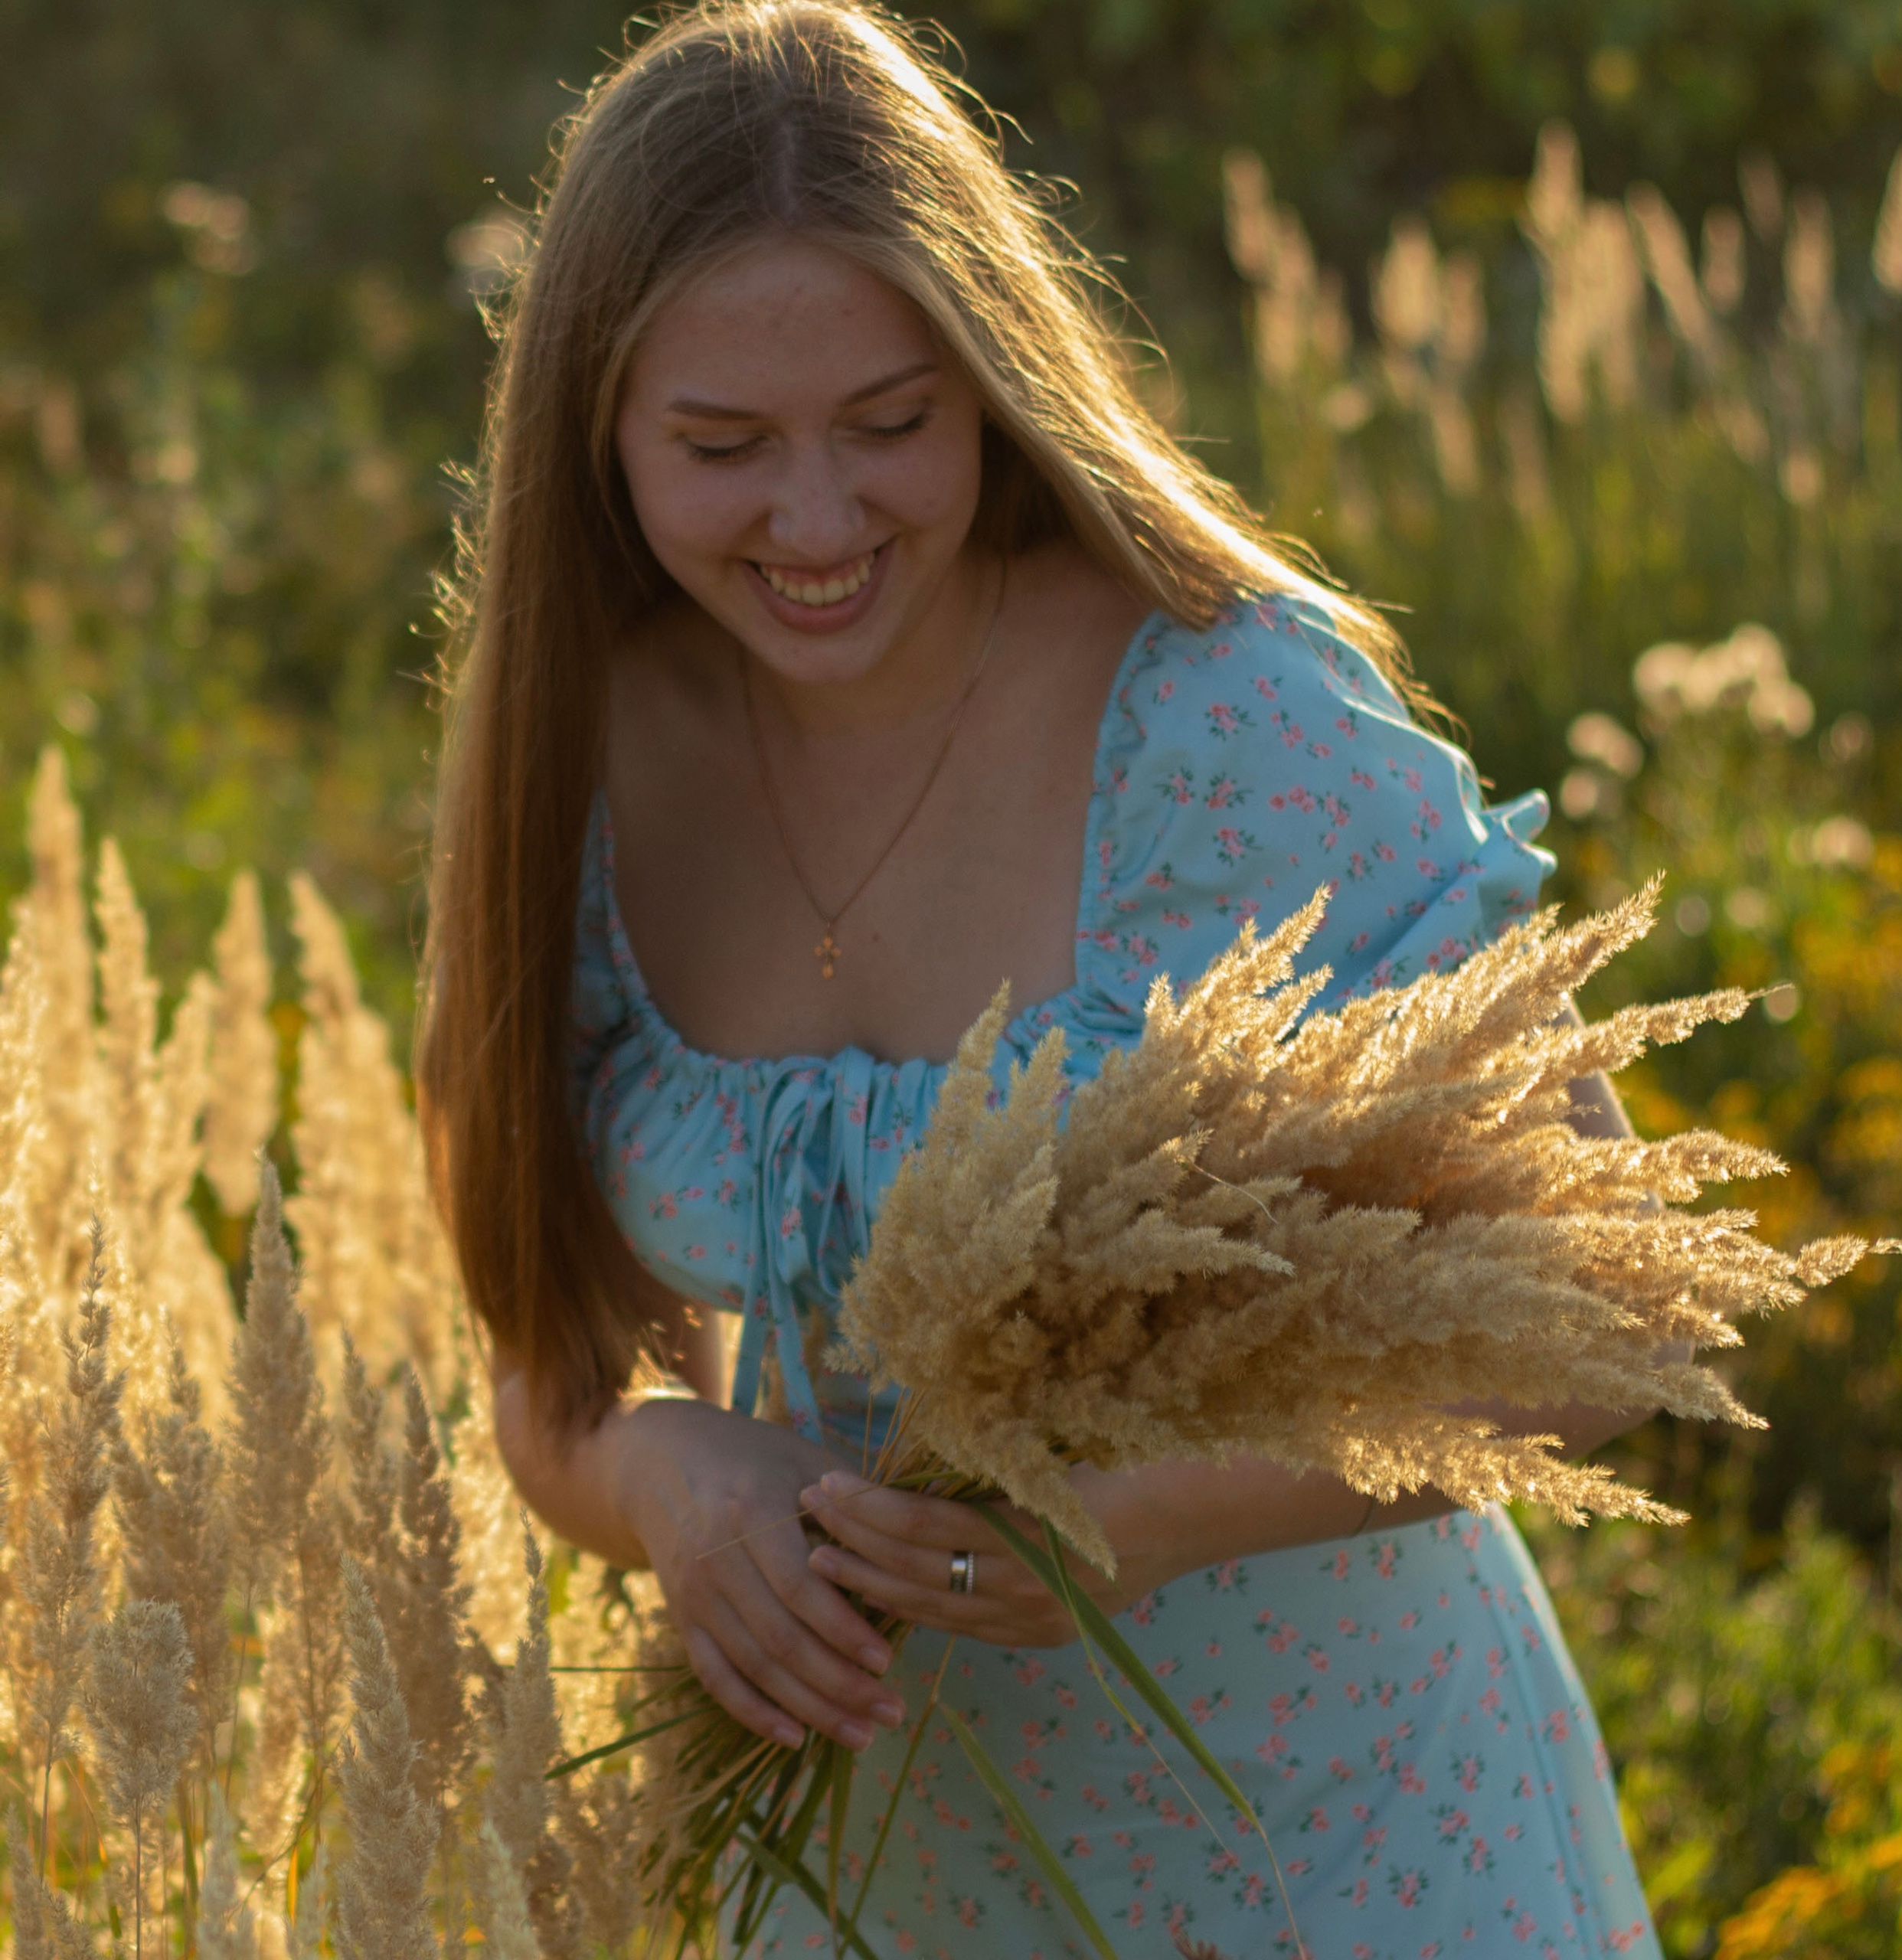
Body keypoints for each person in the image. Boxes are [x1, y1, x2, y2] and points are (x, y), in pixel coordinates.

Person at [418, 3, 1662, 1952]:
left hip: (1345, 1832)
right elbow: (549, 1352)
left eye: (892, 423)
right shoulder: (567, 777)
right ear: (593, 431)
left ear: (992, 379)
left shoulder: (1228, 707)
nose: (817, 522)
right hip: (883, 1857)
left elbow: (1606, 1300)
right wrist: (673, 1474)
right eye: (723, 446)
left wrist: (1137, 1512)